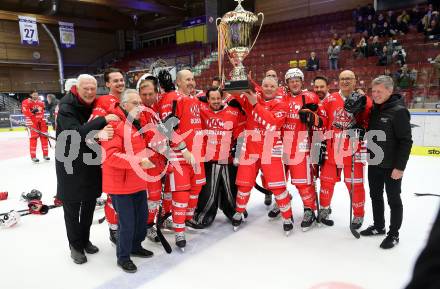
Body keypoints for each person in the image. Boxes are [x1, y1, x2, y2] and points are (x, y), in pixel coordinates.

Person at [56, 74, 118, 264]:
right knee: (73, 204)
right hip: (70, 160)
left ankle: (85, 239)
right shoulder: (66, 106)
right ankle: (75, 246)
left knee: (90, 201)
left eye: (93, 88)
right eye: (86, 89)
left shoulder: (94, 103)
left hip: (90, 157)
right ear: (77, 88)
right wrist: (102, 123)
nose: (90, 92)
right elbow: (75, 133)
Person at [101, 89, 155, 273]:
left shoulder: (135, 124)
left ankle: (135, 246)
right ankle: (123, 257)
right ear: (124, 105)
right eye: (135, 103)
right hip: (120, 184)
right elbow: (111, 156)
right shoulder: (114, 125)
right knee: (127, 223)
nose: (140, 107)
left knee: (141, 219)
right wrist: (139, 161)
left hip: (137, 181)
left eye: (140, 103)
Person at [231, 77, 293, 235]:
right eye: (265, 85)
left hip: (270, 150)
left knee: (278, 187)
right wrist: (239, 73)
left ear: (277, 88)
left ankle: (287, 217)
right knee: (244, 185)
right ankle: (238, 212)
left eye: (272, 86)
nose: (269, 88)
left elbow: (272, 123)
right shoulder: (253, 97)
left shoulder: (282, 104)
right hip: (250, 148)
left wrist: (254, 104)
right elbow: (233, 91)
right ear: (262, 87)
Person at [360, 75, 412, 249]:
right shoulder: (374, 109)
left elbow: (406, 141)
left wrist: (400, 167)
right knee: (375, 196)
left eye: (379, 91)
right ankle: (379, 226)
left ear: (390, 91)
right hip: (375, 162)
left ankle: (394, 234)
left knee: (393, 200)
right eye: (373, 91)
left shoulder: (399, 111)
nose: (375, 94)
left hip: (392, 166)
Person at [157, 69, 206, 251]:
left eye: (193, 79)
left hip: (197, 154)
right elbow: (166, 127)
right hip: (180, 155)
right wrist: (183, 149)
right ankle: (179, 231)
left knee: (196, 188)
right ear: (178, 82)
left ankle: (184, 220)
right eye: (187, 79)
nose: (191, 82)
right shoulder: (172, 98)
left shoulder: (193, 99)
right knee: (181, 193)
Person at [318, 70, 372, 229]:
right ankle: (324, 209)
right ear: (338, 81)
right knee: (326, 182)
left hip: (354, 150)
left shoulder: (365, 100)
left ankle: (358, 214)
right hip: (332, 149)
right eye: (342, 79)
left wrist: (363, 129)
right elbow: (322, 120)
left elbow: (370, 122)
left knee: (355, 185)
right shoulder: (330, 99)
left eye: (349, 78)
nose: (345, 81)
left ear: (355, 81)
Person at [193, 88, 244, 227]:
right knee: (209, 191)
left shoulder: (233, 112)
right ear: (207, 99)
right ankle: (205, 214)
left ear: (222, 98)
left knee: (230, 189)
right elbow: (189, 100)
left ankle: (234, 211)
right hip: (208, 159)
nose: (216, 101)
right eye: (212, 98)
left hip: (226, 159)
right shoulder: (200, 109)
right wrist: (199, 97)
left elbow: (240, 134)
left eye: (218, 98)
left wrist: (238, 153)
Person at [91, 67, 127, 245]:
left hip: (127, 156)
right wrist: (99, 134)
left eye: (121, 79)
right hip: (112, 156)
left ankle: (123, 226)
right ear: (107, 84)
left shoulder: (126, 99)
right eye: (115, 81)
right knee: (114, 196)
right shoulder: (104, 100)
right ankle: (114, 230)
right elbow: (92, 127)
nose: (120, 83)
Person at [21, 90, 50, 163]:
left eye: (37, 94)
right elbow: (26, 113)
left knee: (44, 137)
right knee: (33, 139)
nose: (36, 96)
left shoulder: (41, 102)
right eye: (34, 94)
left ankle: (45, 155)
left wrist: (45, 120)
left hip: (42, 122)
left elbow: (42, 112)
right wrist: (34, 111)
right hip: (32, 123)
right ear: (30, 95)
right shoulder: (26, 102)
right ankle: (33, 156)